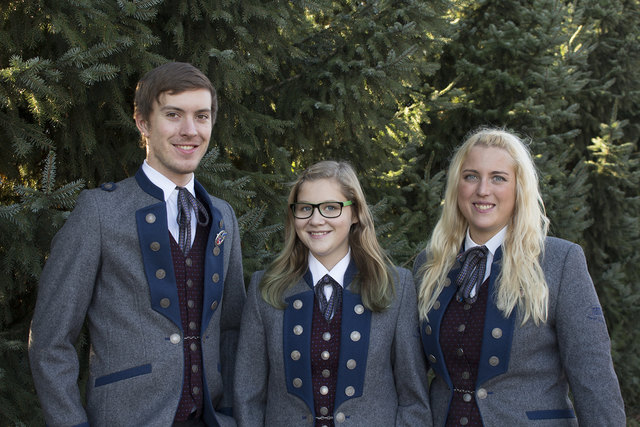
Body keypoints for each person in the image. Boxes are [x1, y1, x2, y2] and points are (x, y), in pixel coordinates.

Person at [28, 62, 246, 427]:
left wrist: (232, 415)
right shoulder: (99, 213)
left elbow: (232, 330)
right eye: (173, 115)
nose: (190, 130)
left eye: (202, 116)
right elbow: (50, 341)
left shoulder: (223, 216)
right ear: (143, 123)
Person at [414, 128, 626, 426]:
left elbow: (594, 376)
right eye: (471, 176)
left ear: (519, 188)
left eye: (498, 178)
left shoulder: (560, 261)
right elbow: (407, 376)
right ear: (456, 186)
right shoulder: (430, 265)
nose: (482, 190)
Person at [234, 160, 431, 426]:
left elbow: (413, 400)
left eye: (330, 207)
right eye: (305, 208)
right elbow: (248, 397)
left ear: (355, 213)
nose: (316, 220)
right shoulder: (265, 289)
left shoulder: (396, 287)